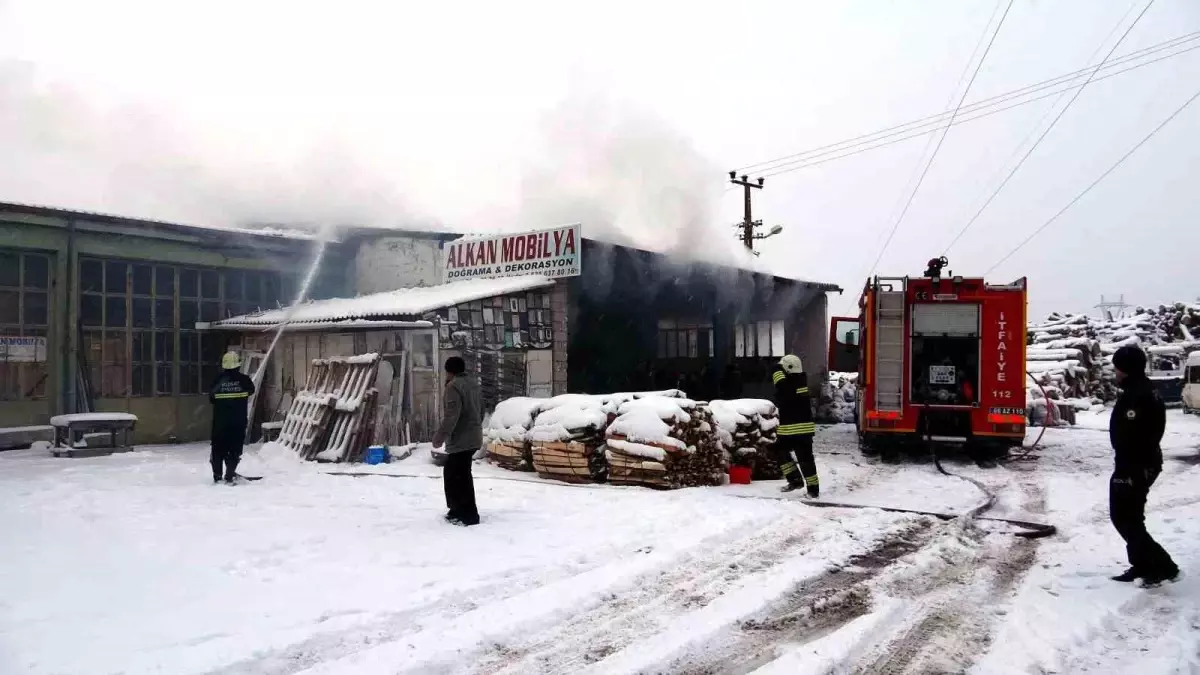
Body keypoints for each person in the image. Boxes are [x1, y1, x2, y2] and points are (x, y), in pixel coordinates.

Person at [1108, 345, 1178, 586]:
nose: (1115, 371)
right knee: (1129, 517)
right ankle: (1144, 564)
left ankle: (1162, 566)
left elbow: (1137, 437)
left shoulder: (1138, 395)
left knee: (1126, 517)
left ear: (1126, 368)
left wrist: (1127, 473)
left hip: (1136, 465)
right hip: (1137, 463)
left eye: (1117, 366)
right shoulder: (1140, 389)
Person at [432, 356, 483, 526]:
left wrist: (440, 437)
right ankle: (457, 509)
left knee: (459, 476)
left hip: (461, 439)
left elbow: (451, 416)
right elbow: (481, 410)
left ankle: (468, 514)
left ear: (450, 372)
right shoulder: (474, 384)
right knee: (456, 473)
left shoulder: (454, 386)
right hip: (473, 436)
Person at [771, 354, 819, 497]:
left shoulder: (795, 382)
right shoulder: (795, 380)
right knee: (779, 451)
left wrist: (776, 369)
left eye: (783, 368)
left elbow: (781, 387)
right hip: (788, 428)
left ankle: (813, 490)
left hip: (800, 429)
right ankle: (795, 480)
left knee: (805, 459)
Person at [208, 351, 255, 485]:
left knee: (217, 450)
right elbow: (251, 391)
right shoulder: (244, 380)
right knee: (234, 449)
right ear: (238, 365)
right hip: (238, 422)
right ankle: (229, 475)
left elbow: (211, 398)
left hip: (220, 423)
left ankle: (217, 476)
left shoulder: (218, 380)